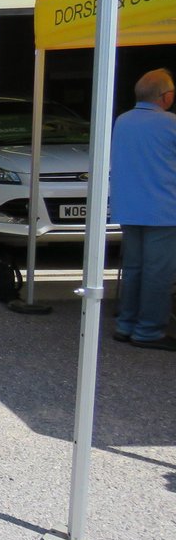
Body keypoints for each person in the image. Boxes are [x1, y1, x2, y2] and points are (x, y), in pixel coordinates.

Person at [109, 68, 176, 351]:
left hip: (129, 208)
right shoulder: (170, 123)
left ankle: (126, 324)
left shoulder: (122, 122)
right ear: (165, 95)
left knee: (134, 269)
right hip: (163, 210)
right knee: (157, 273)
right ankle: (148, 330)